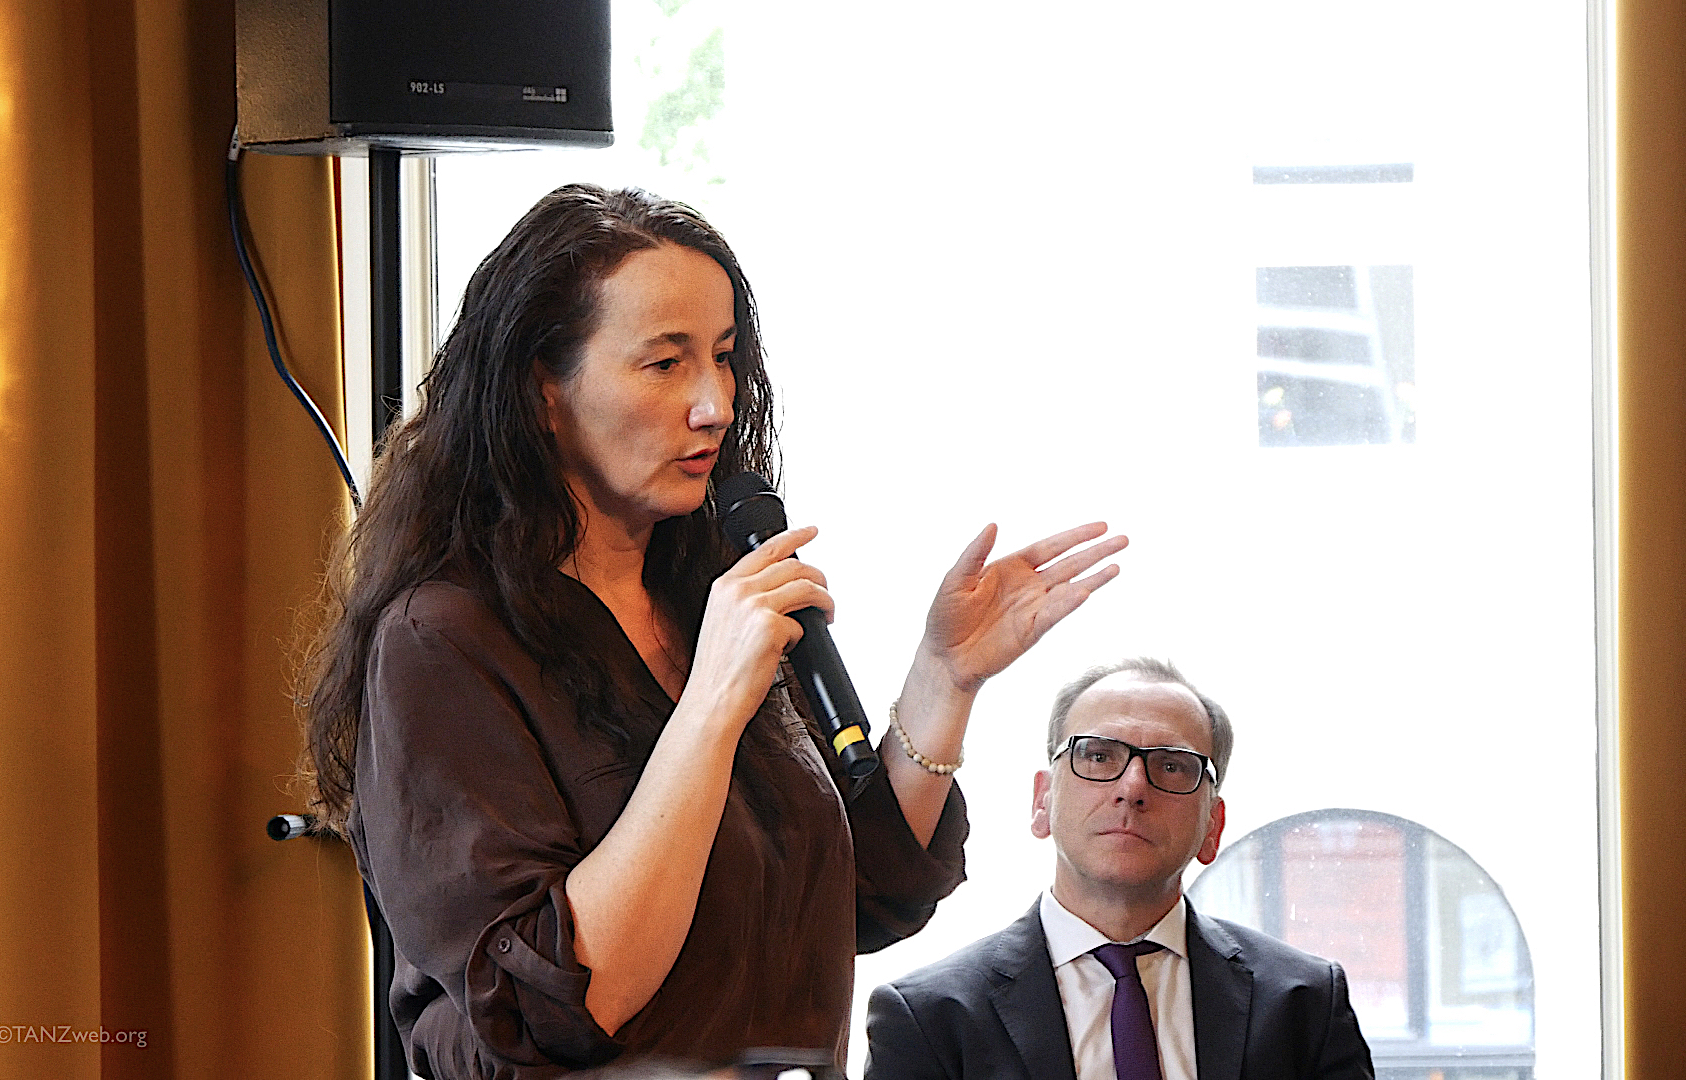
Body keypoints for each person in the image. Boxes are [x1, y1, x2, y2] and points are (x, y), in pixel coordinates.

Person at [300, 185, 1126, 1079]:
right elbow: (563, 1003)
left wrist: (944, 680)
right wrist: (709, 708)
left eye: (725, 360)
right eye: (664, 365)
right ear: (544, 387)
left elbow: (865, 893)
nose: (714, 405)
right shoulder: (444, 640)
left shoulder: (706, 597)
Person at [864, 658, 1374, 1080]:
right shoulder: (929, 1019)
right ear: (1042, 802)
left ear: (1213, 827)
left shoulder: (1305, 1005)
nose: (1133, 787)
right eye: (1099, 755)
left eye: (1172, 765)